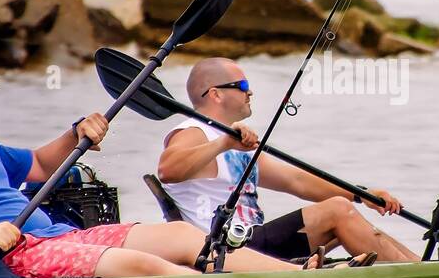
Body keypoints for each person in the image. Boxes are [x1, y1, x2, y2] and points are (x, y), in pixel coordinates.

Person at [0, 54, 325, 278]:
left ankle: (300, 277)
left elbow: (38, 163)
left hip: (58, 237)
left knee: (180, 235)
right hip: (13, 255)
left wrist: (76, 134)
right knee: (139, 264)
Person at [156, 57, 421, 264]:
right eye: (244, 86)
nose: (251, 93)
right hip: (222, 248)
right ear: (216, 94)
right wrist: (223, 143)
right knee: (337, 211)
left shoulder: (235, 144)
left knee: (344, 208)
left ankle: (422, 268)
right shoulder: (193, 131)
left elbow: (296, 181)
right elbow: (168, 170)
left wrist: (361, 195)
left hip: (251, 242)